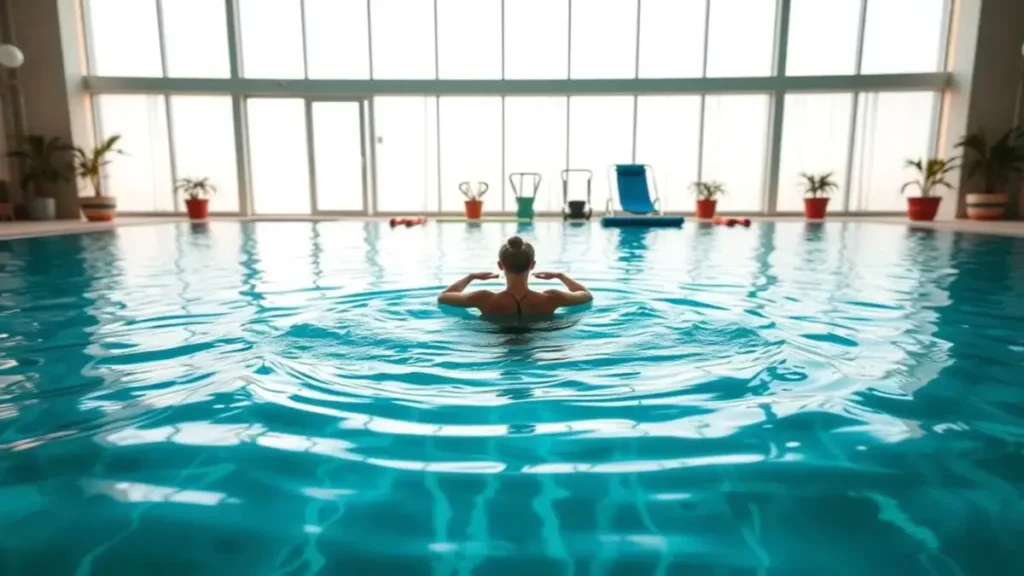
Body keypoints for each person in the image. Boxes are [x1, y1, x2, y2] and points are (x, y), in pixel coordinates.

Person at [437, 236, 592, 317]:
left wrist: (470, 277)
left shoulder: (482, 298)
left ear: (500, 265)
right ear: (532, 265)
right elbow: (586, 295)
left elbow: (443, 297)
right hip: (540, 344)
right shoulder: (552, 298)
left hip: (497, 344)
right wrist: (561, 276)